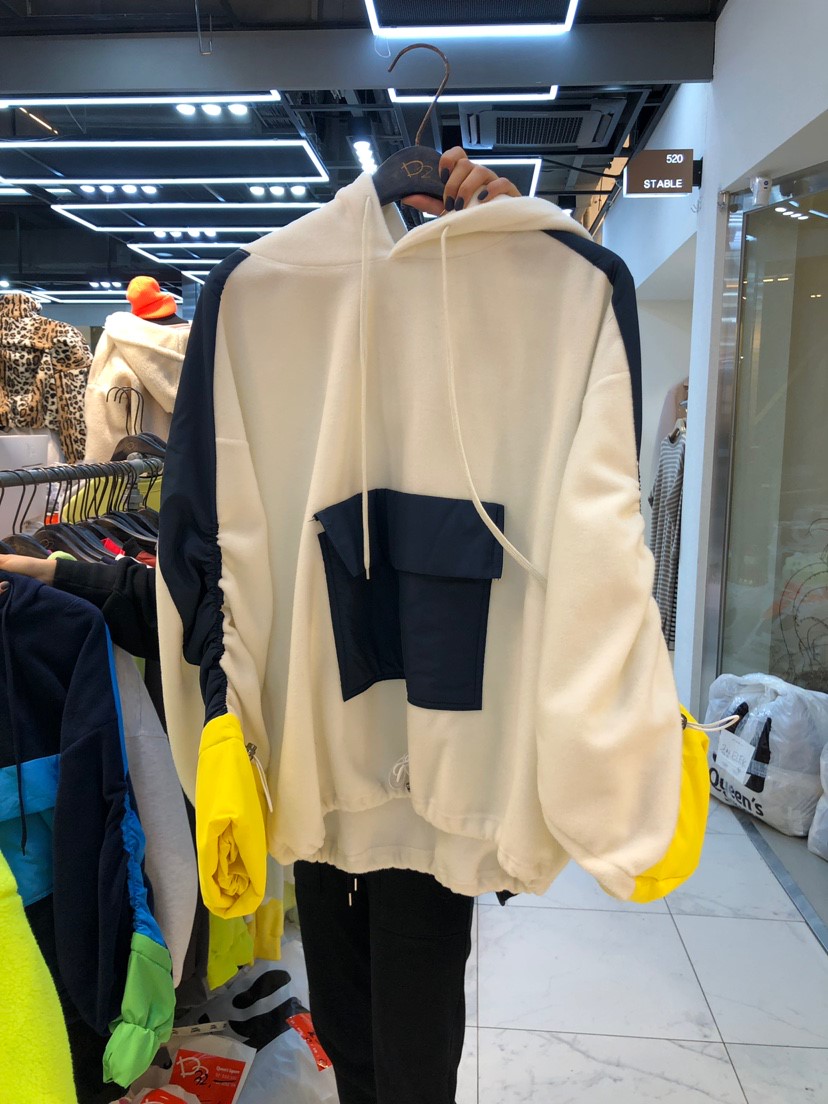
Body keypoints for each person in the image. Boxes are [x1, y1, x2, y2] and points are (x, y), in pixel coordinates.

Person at [0, 149, 522, 1104]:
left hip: (432, 752)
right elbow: (205, 576)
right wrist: (65, 575)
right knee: (354, 1012)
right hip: (319, 753)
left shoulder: (495, 337)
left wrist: (517, 251)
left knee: (413, 1019)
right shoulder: (269, 348)